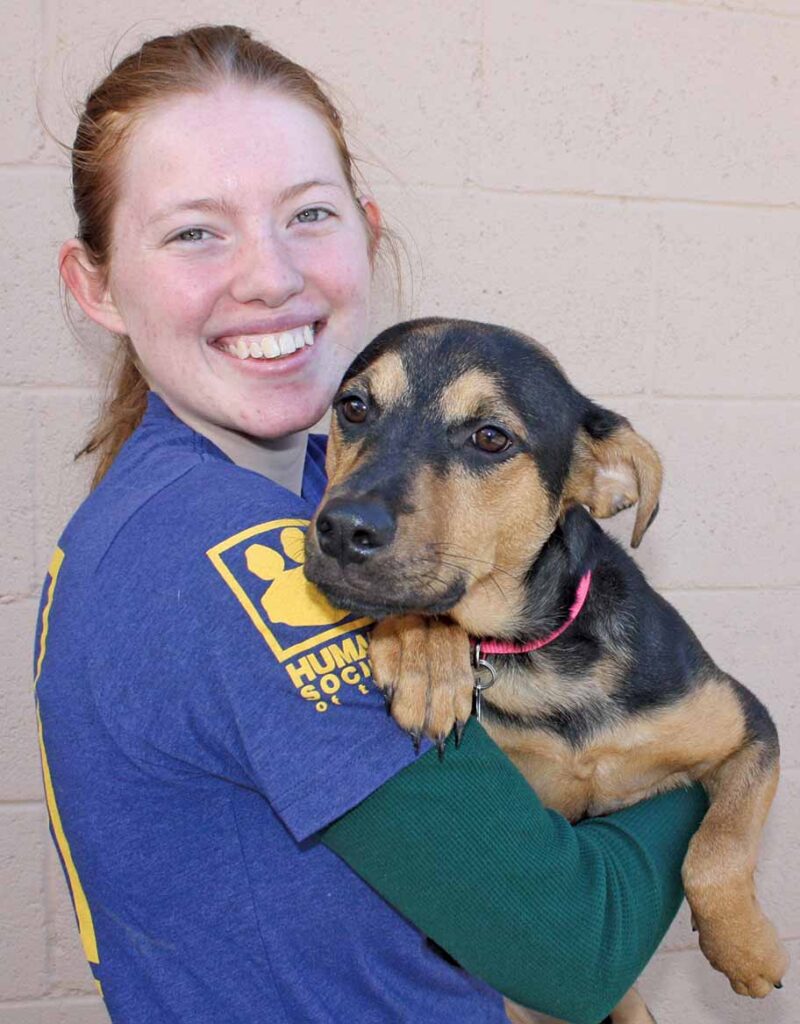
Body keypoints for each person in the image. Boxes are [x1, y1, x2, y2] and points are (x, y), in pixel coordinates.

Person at [35, 24, 707, 1024]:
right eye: (194, 231)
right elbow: (579, 946)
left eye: (307, 214)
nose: (269, 275)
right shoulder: (240, 558)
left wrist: (428, 623)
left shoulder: (307, 487)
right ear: (94, 285)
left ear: (367, 233)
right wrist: (696, 754)